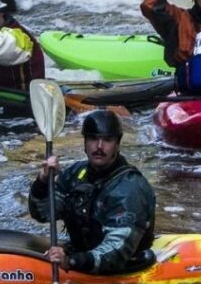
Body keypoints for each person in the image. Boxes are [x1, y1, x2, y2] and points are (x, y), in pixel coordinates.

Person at [28, 110, 156, 275]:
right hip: (82, 258)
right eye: (93, 139)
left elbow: (117, 251)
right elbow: (43, 214)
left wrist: (71, 261)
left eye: (107, 140)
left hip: (122, 266)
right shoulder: (75, 174)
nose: (99, 147)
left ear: (117, 144)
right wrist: (43, 181)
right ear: (85, 142)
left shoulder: (130, 189)